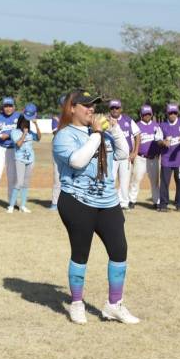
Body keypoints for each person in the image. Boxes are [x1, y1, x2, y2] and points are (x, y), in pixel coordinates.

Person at [52, 89, 139, 325]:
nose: (91, 109)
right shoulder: (64, 135)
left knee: (119, 250)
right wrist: (97, 135)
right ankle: (77, 303)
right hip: (77, 201)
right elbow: (78, 161)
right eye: (86, 105)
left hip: (108, 201)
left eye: (93, 105)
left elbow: (122, 154)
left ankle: (114, 305)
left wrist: (114, 129)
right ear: (72, 108)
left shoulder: (101, 132)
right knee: (81, 253)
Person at [108, 99, 141, 210]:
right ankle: (109, 202)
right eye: (112, 108)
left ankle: (123, 203)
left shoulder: (128, 120)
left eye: (117, 108)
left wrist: (135, 152)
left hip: (125, 157)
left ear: (121, 109)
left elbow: (137, 135)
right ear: (110, 109)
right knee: (110, 180)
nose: (115, 110)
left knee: (124, 181)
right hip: (111, 157)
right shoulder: (105, 121)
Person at [8, 103, 40, 213]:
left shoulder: (31, 132)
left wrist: (36, 125)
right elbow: (19, 144)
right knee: (19, 182)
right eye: (24, 122)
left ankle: (23, 205)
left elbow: (39, 138)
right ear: (20, 123)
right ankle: (11, 206)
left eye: (27, 123)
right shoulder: (15, 132)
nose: (26, 125)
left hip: (30, 159)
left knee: (26, 183)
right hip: (20, 159)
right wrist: (24, 134)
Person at [158, 104, 180, 212]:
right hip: (166, 159)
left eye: (174, 113)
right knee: (164, 182)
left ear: (177, 113)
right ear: (167, 113)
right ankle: (163, 204)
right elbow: (157, 139)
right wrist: (163, 142)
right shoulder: (162, 125)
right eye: (170, 113)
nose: (172, 115)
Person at [131, 105, 163, 209]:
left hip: (153, 158)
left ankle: (156, 201)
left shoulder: (156, 126)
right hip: (140, 158)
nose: (147, 116)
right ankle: (132, 200)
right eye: (145, 114)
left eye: (149, 114)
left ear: (151, 114)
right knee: (136, 179)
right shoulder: (137, 125)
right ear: (141, 115)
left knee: (155, 182)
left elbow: (160, 141)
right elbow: (133, 141)